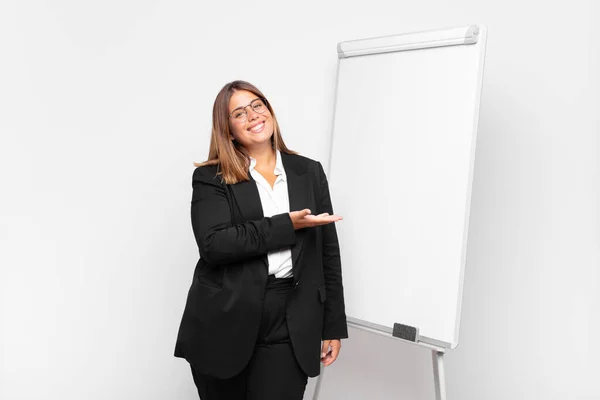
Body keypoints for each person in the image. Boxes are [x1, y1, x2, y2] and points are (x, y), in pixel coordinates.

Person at [174, 80, 348, 400]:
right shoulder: (211, 177)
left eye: (257, 105)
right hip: (225, 316)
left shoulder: (308, 171)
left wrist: (332, 325)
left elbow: (327, 253)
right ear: (227, 129)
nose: (253, 115)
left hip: (292, 314)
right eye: (239, 113)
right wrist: (287, 225)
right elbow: (215, 245)